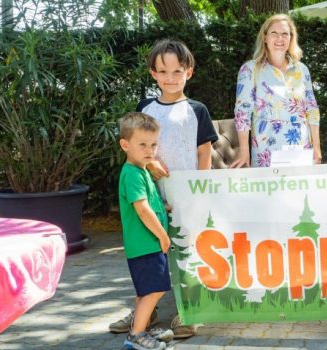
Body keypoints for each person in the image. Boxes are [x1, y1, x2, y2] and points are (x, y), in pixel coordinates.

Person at [110, 39, 218, 339]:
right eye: (163, 71)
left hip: (186, 193)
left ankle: (189, 311)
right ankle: (146, 308)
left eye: (177, 71)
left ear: (189, 72)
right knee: (149, 254)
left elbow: (204, 151)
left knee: (187, 250)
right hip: (150, 193)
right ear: (153, 73)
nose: (170, 78)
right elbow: (136, 142)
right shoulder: (146, 107)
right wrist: (152, 163)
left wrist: (201, 188)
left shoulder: (197, 109)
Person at [117, 112, 175, 350]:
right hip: (146, 243)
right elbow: (142, 210)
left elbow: (149, 203)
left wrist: (164, 206)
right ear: (125, 145)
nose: (149, 150)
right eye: (142, 144)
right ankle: (136, 336)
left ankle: (141, 329)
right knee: (155, 289)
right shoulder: (132, 173)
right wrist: (162, 235)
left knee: (147, 290)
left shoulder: (141, 170)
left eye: (153, 144)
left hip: (145, 244)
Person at [231, 14, 321, 168]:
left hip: (300, 147)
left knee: (299, 191)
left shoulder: (302, 69)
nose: (280, 38)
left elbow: (312, 109)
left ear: (291, 38)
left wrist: (317, 148)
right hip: (266, 151)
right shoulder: (250, 69)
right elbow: (242, 112)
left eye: (285, 34)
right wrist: (244, 149)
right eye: (274, 33)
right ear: (265, 37)